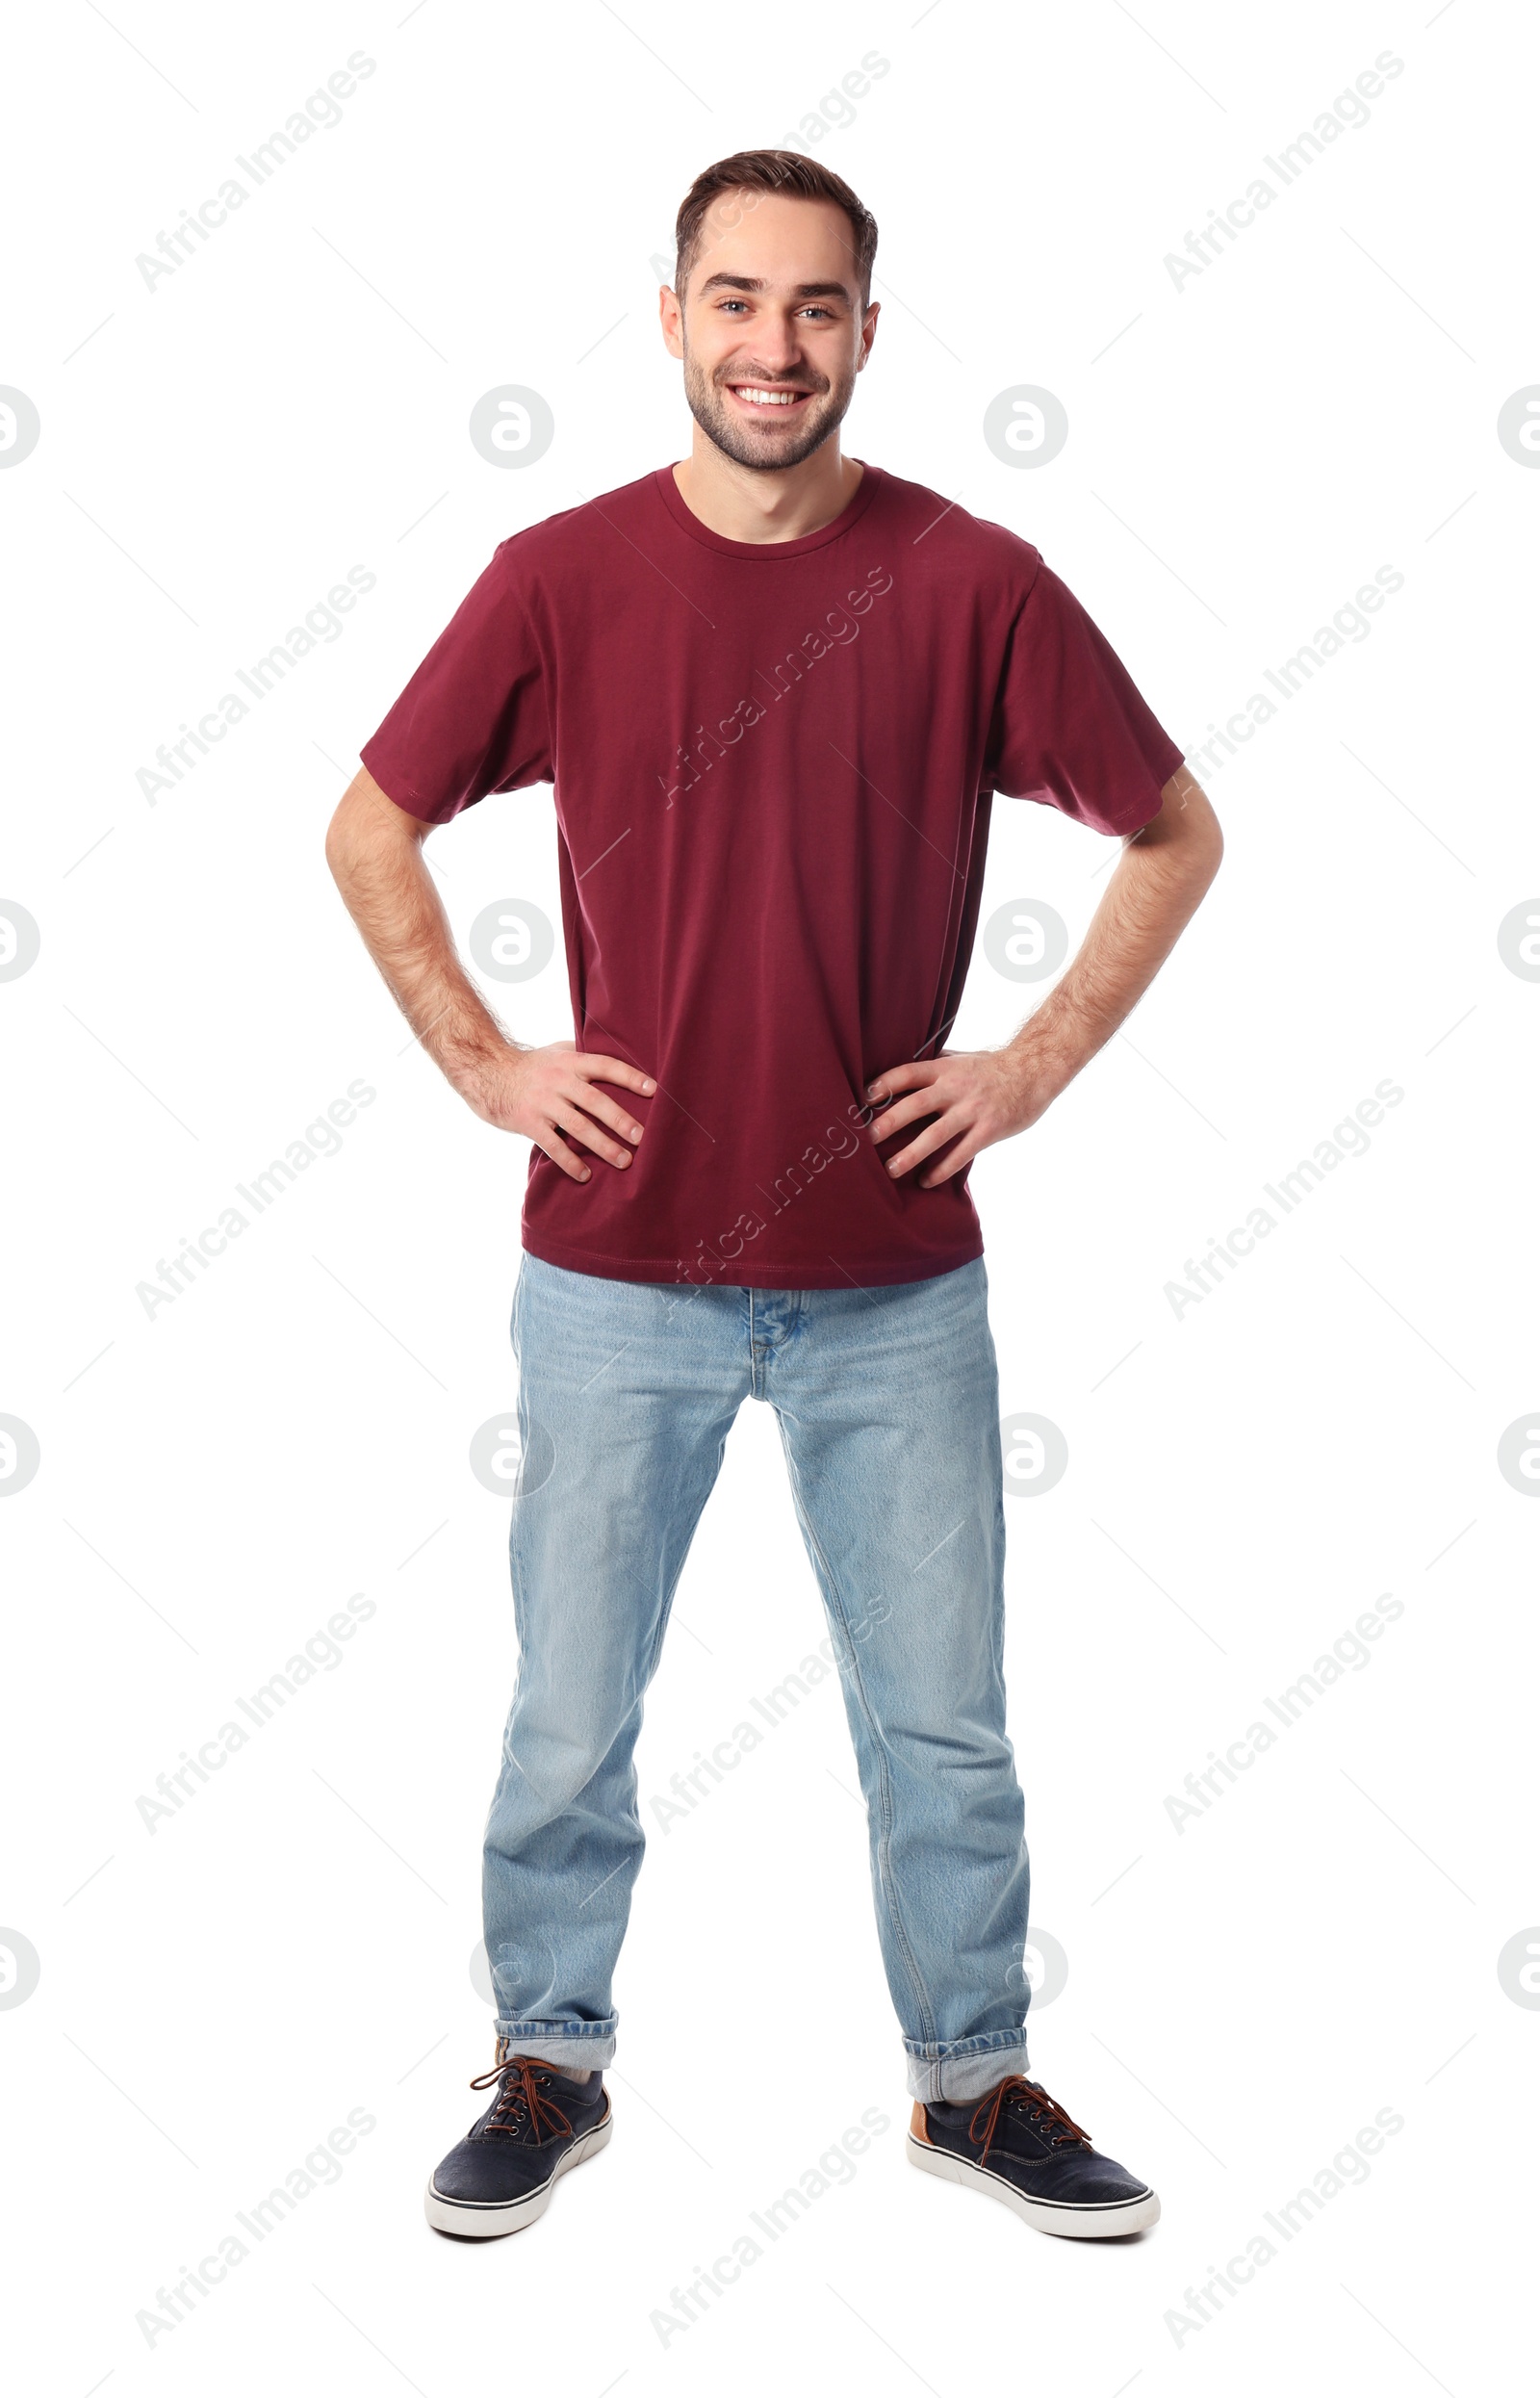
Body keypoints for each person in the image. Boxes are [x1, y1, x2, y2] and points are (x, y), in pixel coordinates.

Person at [326, 147, 1222, 2246]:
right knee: (568, 1710)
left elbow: (1173, 831)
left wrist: (1028, 1064)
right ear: (669, 319)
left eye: (814, 308)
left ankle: (970, 2084)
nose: (771, 346)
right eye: (734, 301)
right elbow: (369, 825)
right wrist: (484, 1062)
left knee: (945, 1727)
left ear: (867, 337)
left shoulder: (970, 580)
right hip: (611, 1266)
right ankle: (547, 2062)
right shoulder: (558, 577)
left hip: (891, 1277)